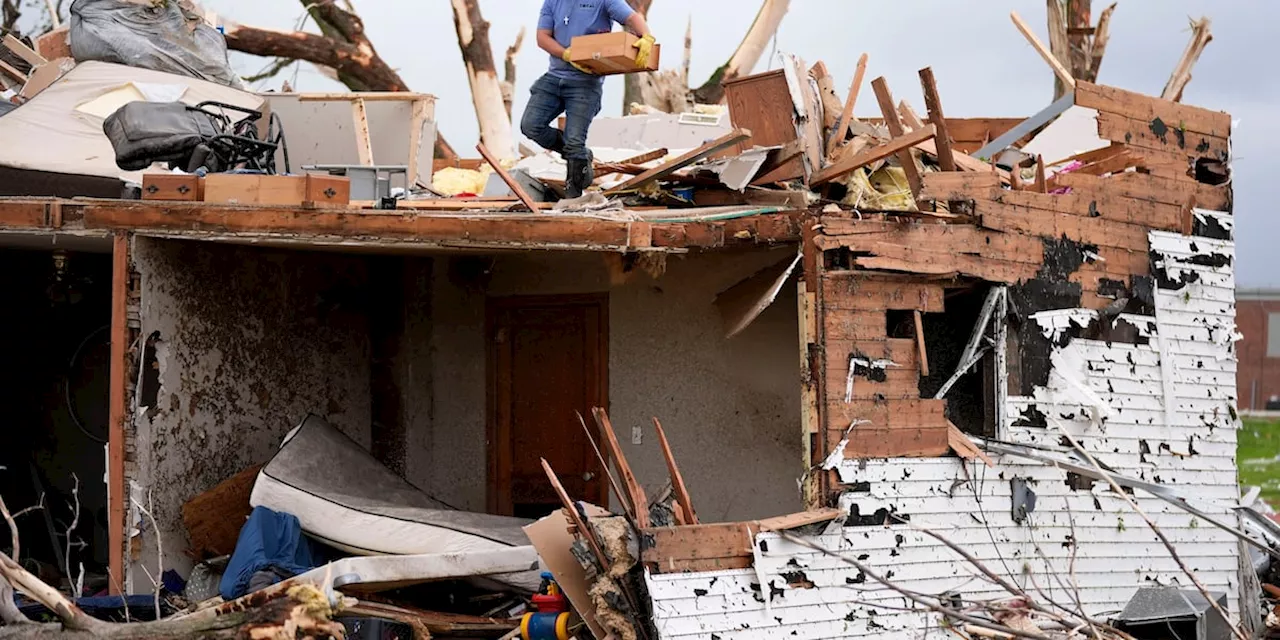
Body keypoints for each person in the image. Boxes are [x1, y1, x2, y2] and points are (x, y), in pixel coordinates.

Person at [521, 0, 654, 199]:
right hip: (554, 77)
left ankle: (572, 197)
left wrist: (647, 36)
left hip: (585, 82)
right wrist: (567, 54)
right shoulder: (552, 2)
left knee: (574, 142)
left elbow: (633, 17)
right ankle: (582, 156)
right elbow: (542, 37)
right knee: (530, 126)